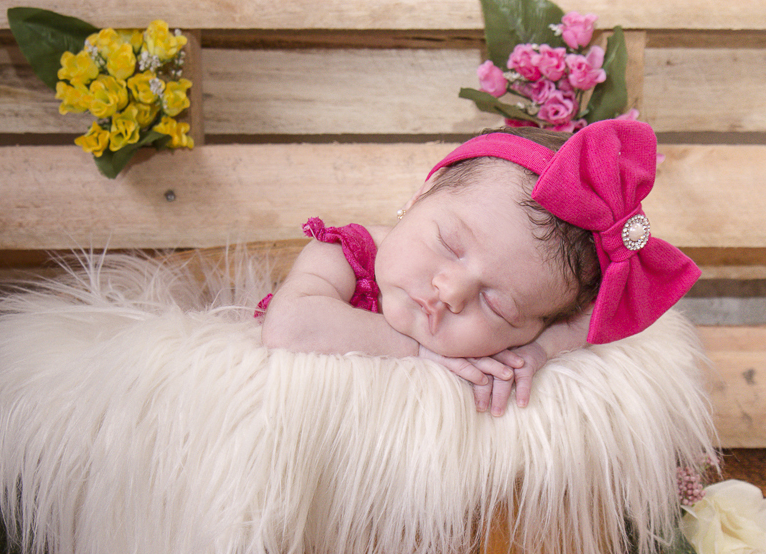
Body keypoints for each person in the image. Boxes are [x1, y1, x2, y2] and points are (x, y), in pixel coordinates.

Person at [259, 118, 701, 416]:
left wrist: (539, 352)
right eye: (449, 245)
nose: (451, 291)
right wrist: (421, 354)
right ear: (420, 196)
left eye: (496, 305)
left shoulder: (535, 328)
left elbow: (589, 320)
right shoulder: (344, 254)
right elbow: (289, 326)